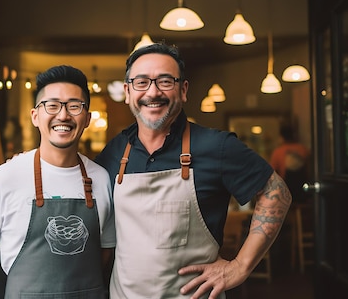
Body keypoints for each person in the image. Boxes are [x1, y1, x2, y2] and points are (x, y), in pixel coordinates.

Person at [94, 42, 292, 299]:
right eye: (141, 82)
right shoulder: (114, 152)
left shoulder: (216, 146)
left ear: (183, 90)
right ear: (128, 92)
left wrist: (240, 266)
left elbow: (276, 190)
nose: (153, 92)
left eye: (165, 81)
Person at [0, 65, 116, 298]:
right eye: (52, 105)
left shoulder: (101, 179)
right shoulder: (4, 178)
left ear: (87, 119)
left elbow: (106, 254)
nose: (63, 115)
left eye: (74, 106)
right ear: (35, 116)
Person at [270, 124, 310, 204]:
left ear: (281, 137)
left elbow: (272, 174)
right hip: (303, 190)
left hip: (286, 192)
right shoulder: (303, 149)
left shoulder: (278, 152)